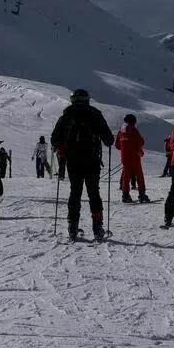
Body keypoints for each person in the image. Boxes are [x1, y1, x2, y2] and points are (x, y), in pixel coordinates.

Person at [51, 88, 115, 241]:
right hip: (92, 160)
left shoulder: (66, 116)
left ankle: (72, 226)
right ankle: (97, 227)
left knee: (75, 192)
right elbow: (109, 140)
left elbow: (54, 139)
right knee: (94, 192)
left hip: (73, 160)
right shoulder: (95, 115)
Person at [116, 114, 151, 203]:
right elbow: (141, 141)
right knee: (139, 176)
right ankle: (142, 195)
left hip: (125, 157)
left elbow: (117, 145)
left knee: (126, 176)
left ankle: (125, 195)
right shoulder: (133, 130)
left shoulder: (121, 131)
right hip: (135, 157)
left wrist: (125, 147)